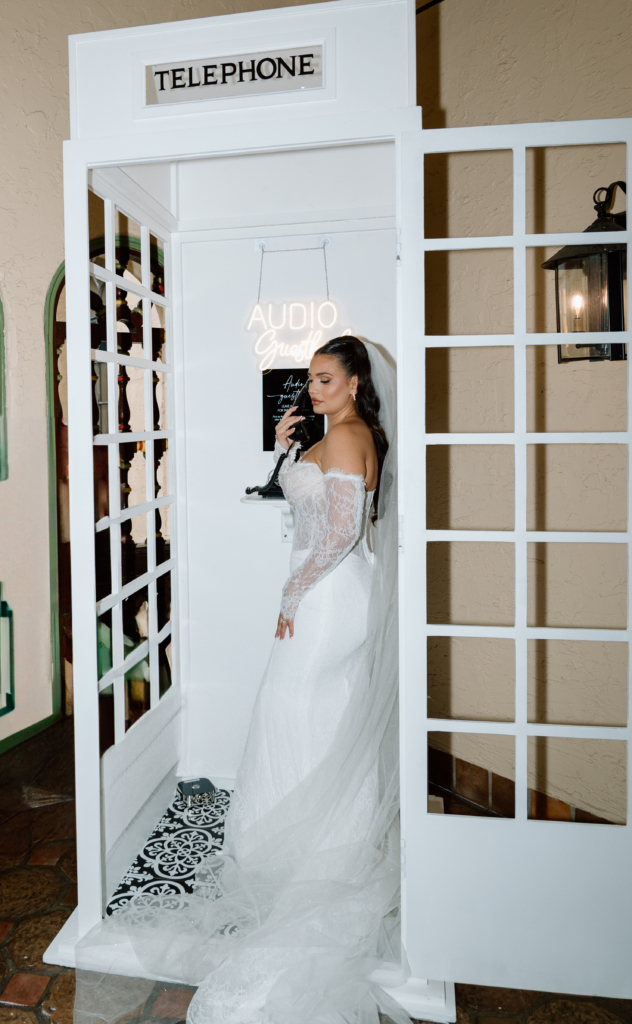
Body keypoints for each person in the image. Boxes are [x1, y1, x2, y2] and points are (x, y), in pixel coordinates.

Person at [75, 338, 407, 1024]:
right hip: (328, 594)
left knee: (288, 707)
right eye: (310, 378)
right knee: (317, 718)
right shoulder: (336, 435)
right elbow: (299, 501)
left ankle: (312, 859)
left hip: (328, 596)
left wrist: (294, 590)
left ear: (353, 383)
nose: (312, 388)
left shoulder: (349, 439)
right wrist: (287, 451)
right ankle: (319, 849)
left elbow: (341, 532)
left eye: (324, 378)